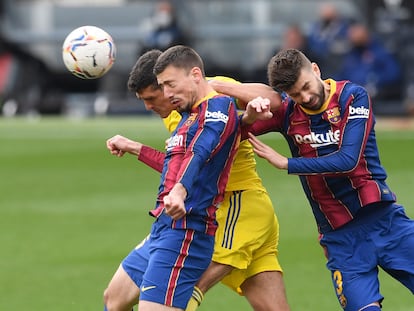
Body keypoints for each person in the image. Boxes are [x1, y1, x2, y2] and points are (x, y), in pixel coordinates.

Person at [103, 49, 291, 311]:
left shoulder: (214, 99)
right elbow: (180, 167)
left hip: (237, 207)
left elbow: (274, 100)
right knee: (115, 298)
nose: (151, 105)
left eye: (156, 94)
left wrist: (217, 86)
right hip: (200, 208)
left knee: (184, 294)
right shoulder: (177, 112)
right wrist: (137, 149)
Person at [240, 48, 414, 311]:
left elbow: (348, 160)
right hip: (341, 240)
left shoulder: (353, 97)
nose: (306, 97)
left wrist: (286, 163)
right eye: (296, 94)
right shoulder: (288, 112)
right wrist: (247, 113)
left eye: (306, 86)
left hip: (387, 223)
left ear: (316, 70)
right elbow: (230, 131)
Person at [334, 22, 402, 101]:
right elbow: (340, 77)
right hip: (351, 96)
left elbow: (393, 74)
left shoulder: (380, 52)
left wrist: (374, 81)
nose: (353, 36)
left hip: (375, 95)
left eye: (356, 32)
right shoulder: (351, 55)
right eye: (352, 33)